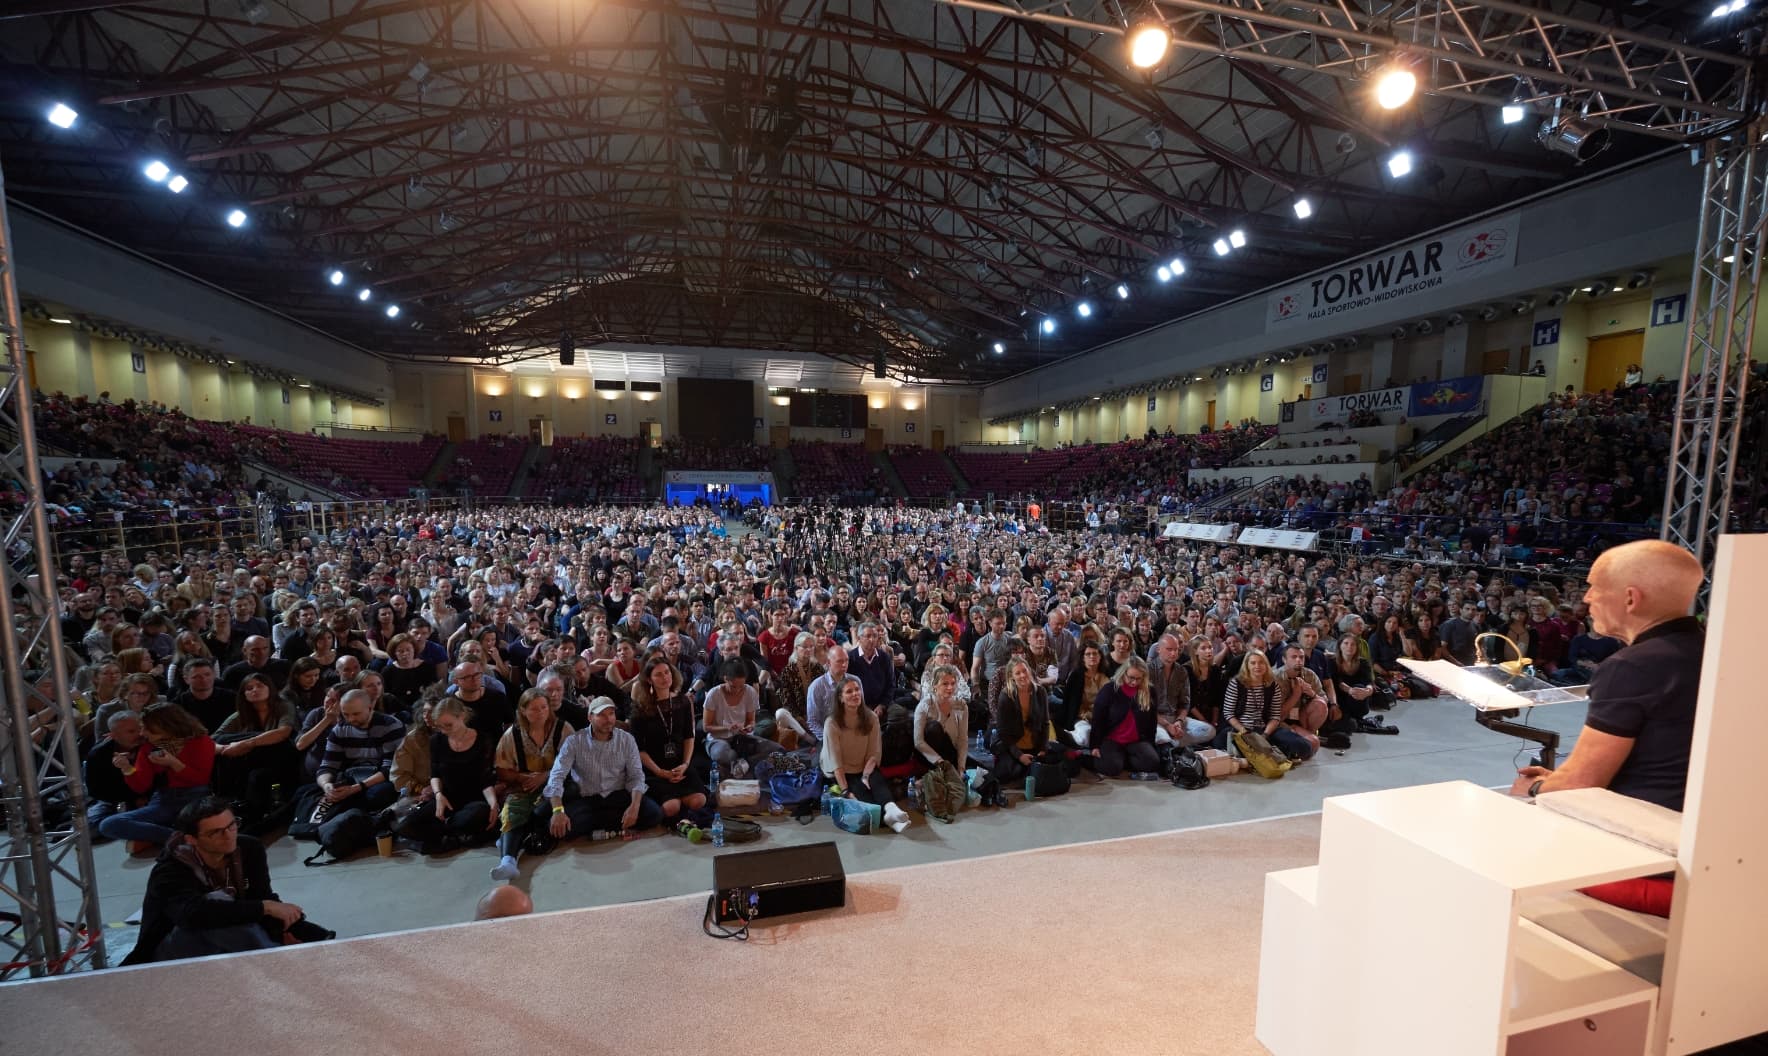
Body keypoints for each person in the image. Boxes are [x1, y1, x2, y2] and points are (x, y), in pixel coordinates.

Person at [1510, 540, 1705, 810]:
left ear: (1630, 599)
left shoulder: (1631, 666)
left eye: (1595, 587)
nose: (1587, 597)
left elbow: (1581, 782)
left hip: (1639, 825)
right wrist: (1561, 778)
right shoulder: (1711, 652)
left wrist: (1535, 787)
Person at [123, 797, 325, 964]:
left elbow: (261, 897)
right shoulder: (170, 869)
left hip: (235, 939)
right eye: (215, 832)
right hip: (171, 952)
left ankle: (277, 952)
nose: (228, 836)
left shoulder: (249, 848)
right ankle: (275, 960)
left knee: (313, 938)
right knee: (218, 905)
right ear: (191, 839)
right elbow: (192, 915)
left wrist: (284, 930)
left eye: (231, 826)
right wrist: (266, 908)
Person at [97, 703, 216, 852]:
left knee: (204, 824)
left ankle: (158, 836)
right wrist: (127, 768)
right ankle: (179, 838)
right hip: (163, 800)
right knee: (108, 825)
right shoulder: (148, 747)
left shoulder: (201, 741)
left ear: (166, 726)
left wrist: (173, 763)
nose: (142, 733)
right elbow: (141, 786)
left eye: (147, 728)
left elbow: (200, 779)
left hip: (195, 798)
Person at [545, 696, 662, 839]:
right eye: (601, 715)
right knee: (562, 828)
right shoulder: (574, 742)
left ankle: (599, 827)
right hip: (589, 799)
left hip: (619, 794)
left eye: (611, 714)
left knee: (654, 814)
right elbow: (556, 775)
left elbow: (636, 775)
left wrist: (635, 806)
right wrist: (558, 811)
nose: (608, 719)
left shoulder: (626, 739)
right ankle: (613, 824)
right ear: (590, 717)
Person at [491, 688, 572, 881]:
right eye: (534, 709)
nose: (540, 712)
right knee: (514, 810)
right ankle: (508, 861)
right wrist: (521, 778)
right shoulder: (513, 734)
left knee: (538, 814)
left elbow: (572, 763)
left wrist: (544, 776)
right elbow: (501, 768)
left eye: (543, 707)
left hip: (557, 785)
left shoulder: (563, 729)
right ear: (523, 710)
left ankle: (511, 844)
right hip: (524, 784)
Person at [401, 697, 499, 854]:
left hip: (474, 799)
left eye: (448, 725)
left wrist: (493, 803)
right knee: (405, 826)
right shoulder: (437, 740)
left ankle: (439, 837)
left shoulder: (482, 739)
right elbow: (435, 773)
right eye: (440, 727)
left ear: (461, 716)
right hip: (446, 798)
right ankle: (454, 837)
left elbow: (485, 778)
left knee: (478, 814)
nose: (445, 730)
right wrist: (438, 794)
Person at [821, 676, 912, 832]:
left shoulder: (871, 717)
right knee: (870, 807)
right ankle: (890, 819)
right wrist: (846, 792)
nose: (855, 694)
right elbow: (835, 762)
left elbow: (874, 753)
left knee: (876, 780)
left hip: (864, 766)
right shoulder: (832, 722)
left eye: (857, 690)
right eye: (849, 691)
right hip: (841, 771)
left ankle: (891, 809)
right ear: (840, 698)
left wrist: (866, 776)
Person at [212, 672, 299, 827]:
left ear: (270, 688)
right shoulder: (240, 715)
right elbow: (212, 741)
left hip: (283, 757)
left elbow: (283, 733)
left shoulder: (283, 705)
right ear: (244, 694)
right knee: (224, 742)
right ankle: (234, 806)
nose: (254, 690)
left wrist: (246, 744)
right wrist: (225, 749)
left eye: (260, 685)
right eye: (249, 688)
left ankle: (224, 800)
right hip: (252, 762)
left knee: (258, 746)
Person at [629, 656, 708, 821]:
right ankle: (676, 808)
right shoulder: (640, 708)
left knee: (699, 801)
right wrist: (659, 772)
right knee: (671, 807)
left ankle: (682, 809)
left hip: (680, 764)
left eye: (667, 672)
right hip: (655, 768)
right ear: (650, 680)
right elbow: (639, 749)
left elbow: (689, 736)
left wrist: (685, 764)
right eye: (658, 675)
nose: (665, 678)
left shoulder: (684, 701)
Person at [314, 688, 404, 817]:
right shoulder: (339, 730)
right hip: (352, 777)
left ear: (369, 708)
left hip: (379, 779)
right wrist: (327, 786)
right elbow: (327, 766)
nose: (350, 719)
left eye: (356, 714)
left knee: (377, 794)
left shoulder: (390, 726)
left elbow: (390, 768)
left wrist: (355, 789)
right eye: (346, 714)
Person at [702, 658, 783, 775]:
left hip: (741, 738)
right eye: (734, 686)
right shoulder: (714, 694)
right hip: (718, 738)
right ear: (725, 679)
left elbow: (751, 721)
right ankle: (743, 764)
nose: (738, 690)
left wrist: (749, 727)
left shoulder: (750, 692)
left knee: (777, 749)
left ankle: (741, 764)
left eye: (741, 686)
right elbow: (706, 727)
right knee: (722, 754)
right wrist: (727, 727)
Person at [1088, 655, 1160, 778]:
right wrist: (1094, 745)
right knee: (1112, 768)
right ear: (1123, 673)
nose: (1134, 682)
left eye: (1139, 679)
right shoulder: (1110, 689)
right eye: (1131, 678)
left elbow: (1152, 722)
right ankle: (1092, 757)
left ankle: (1121, 759)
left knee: (1153, 762)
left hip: (1136, 740)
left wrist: (1150, 745)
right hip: (1112, 739)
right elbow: (1098, 720)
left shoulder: (1149, 691)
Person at [83, 711, 148, 833]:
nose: (140, 734)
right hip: (113, 799)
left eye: (141, 729)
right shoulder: (99, 754)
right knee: (88, 828)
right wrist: (131, 799)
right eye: (131, 732)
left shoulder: (149, 745)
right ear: (113, 735)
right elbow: (95, 790)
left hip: (148, 795)